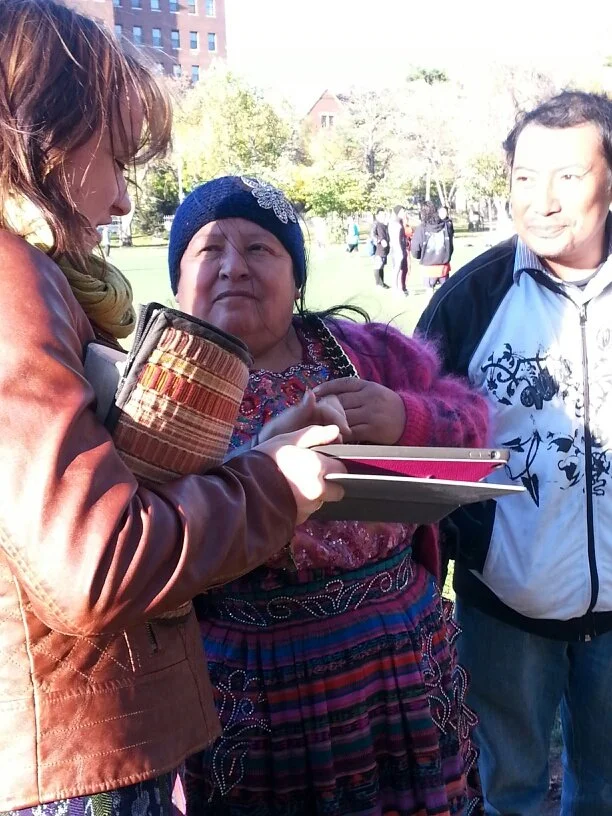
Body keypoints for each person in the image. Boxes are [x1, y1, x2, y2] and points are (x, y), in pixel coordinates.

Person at [0, 3, 345, 813]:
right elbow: (96, 560)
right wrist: (274, 487)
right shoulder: (15, 286)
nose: (123, 201)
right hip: (70, 764)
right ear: (43, 131)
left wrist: (254, 454)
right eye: (117, 158)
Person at [168, 175, 490, 816]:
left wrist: (405, 416)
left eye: (261, 250)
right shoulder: (156, 389)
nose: (234, 267)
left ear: (296, 275)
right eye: (210, 250)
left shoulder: (364, 354)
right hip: (250, 687)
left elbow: (475, 434)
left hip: (400, 663)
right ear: (179, 279)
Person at [416, 90, 612, 815]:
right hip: (505, 607)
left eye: (569, 175)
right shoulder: (471, 298)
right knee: (513, 792)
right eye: (525, 178)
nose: (544, 201)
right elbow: (418, 436)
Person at [412, 201, 453, 291]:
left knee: (429, 294)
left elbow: (415, 249)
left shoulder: (421, 228)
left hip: (428, 266)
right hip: (443, 265)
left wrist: (420, 256)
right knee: (445, 293)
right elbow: (451, 245)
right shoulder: (446, 225)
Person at [389, 204, 409, 295]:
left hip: (400, 248)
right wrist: (400, 251)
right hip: (398, 249)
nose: (404, 213)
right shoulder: (395, 224)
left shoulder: (398, 222)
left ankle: (400, 288)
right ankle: (395, 289)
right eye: (402, 211)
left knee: (401, 269)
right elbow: (396, 239)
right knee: (396, 269)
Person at [371, 207, 391, 287]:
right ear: (377, 215)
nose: (383, 216)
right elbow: (372, 235)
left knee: (381, 266)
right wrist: (380, 240)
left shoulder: (384, 224)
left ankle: (382, 283)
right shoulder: (376, 224)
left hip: (384, 249)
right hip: (378, 248)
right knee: (378, 265)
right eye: (382, 215)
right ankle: (378, 283)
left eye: (384, 214)